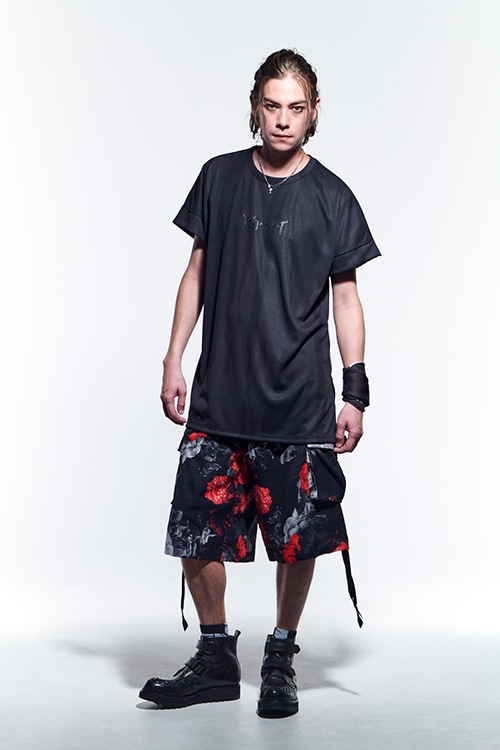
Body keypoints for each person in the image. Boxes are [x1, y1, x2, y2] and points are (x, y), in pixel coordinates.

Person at [139, 48, 381, 718]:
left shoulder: (333, 196)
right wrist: (172, 358)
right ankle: (216, 655)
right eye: (271, 106)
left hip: (298, 401)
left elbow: (347, 300)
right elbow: (195, 272)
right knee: (197, 528)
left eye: (295, 108)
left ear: (314, 112)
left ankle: (280, 654)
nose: (282, 120)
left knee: (298, 536)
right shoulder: (218, 177)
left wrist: (355, 392)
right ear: (254, 106)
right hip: (219, 395)